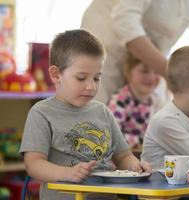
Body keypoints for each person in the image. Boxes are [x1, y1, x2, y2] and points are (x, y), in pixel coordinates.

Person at [19, 29, 151, 200]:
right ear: (55, 74)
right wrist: (68, 173)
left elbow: (123, 156)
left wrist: (136, 167)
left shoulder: (102, 111)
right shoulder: (42, 113)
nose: (91, 86)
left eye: (96, 78)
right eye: (81, 78)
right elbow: (33, 164)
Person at [81, 0, 189, 103]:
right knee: (97, 119)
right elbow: (125, 20)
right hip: (107, 48)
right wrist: (174, 74)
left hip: (152, 60)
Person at [108, 53, 163, 148]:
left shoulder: (157, 101)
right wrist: (147, 141)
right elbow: (111, 137)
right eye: (144, 71)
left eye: (157, 71)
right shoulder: (120, 100)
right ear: (128, 72)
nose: (151, 77)